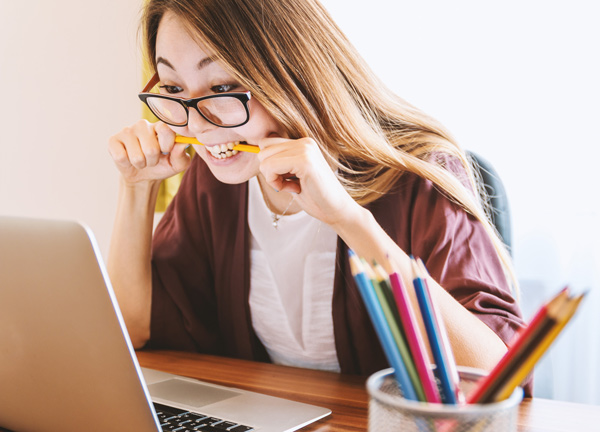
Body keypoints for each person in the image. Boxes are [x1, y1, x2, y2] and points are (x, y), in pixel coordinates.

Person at [108, 0, 528, 391]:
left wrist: (348, 219)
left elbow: (495, 378)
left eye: (221, 87)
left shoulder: (419, 176)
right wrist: (137, 188)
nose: (198, 126)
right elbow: (132, 328)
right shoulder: (215, 182)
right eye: (175, 88)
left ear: (290, 71)